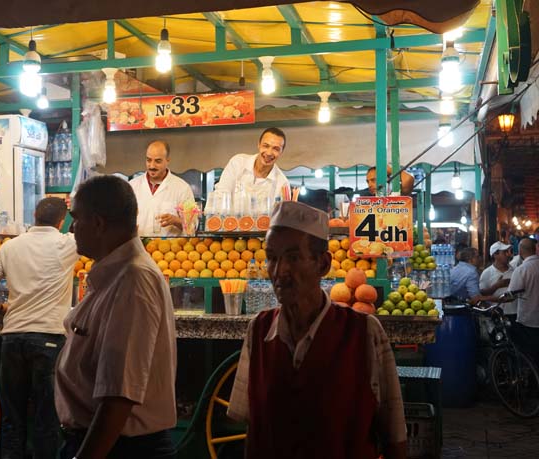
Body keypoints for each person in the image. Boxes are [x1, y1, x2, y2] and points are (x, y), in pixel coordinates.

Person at [227, 201, 407, 459]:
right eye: (272, 258)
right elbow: (252, 429)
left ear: (322, 264)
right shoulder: (258, 331)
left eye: (293, 257)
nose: (279, 272)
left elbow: (395, 437)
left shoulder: (364, 332)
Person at [55, 175, 177, 459]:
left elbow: (119, 396)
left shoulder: (133, 281)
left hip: (123, 449)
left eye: (77, 219)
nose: (72, 228)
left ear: (97, 223)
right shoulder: (113, 276)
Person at [0, 197, 78, 459]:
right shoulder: (67, 244)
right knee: (46, 419)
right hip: (48, 339)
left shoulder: (11, 247)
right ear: (61, 221)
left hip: (12, 338)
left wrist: (1, 309)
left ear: (33, 215)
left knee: (13, 417)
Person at [130, 140, 194, 237]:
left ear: (167, 161)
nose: (152, 165)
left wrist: (176, 221)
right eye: (148, 160)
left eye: (158, 161)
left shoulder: (183, 188)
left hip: (170, 250)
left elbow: (193, 226)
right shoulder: (131, 186)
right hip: (138, 248)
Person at [215, 127, 290, 198]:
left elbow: (283, 210)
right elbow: (221, 195)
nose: (269, 153)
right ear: (259, 145)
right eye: (266, 146)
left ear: (281, 152)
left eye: (276, 149)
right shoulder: (238, 163)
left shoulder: (282, 184)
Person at [508, 237, 539, 365]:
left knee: (529, 355)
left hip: (529, 320)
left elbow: (511, 294)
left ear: (520, 251)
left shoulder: (522, 269)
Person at [479, 241, 516, 320]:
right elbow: (482, 293)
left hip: (514, 312)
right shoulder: (487, 273)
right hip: (496, 313)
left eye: (508, 252)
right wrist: (497, 285)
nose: (508, 255)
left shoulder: (515, 271)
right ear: (495, 255)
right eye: (505, 252)